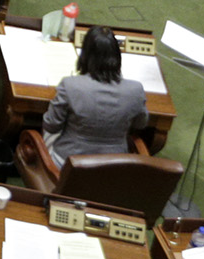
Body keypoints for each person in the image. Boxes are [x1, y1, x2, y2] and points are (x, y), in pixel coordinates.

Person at [41, 25, 148, 166]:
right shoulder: (136, 90)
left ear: (85, 55)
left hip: (69, 162)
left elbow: (51, 125)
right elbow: (141, 123)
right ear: (117, 56)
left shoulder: (70, 85)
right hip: (113, 164)